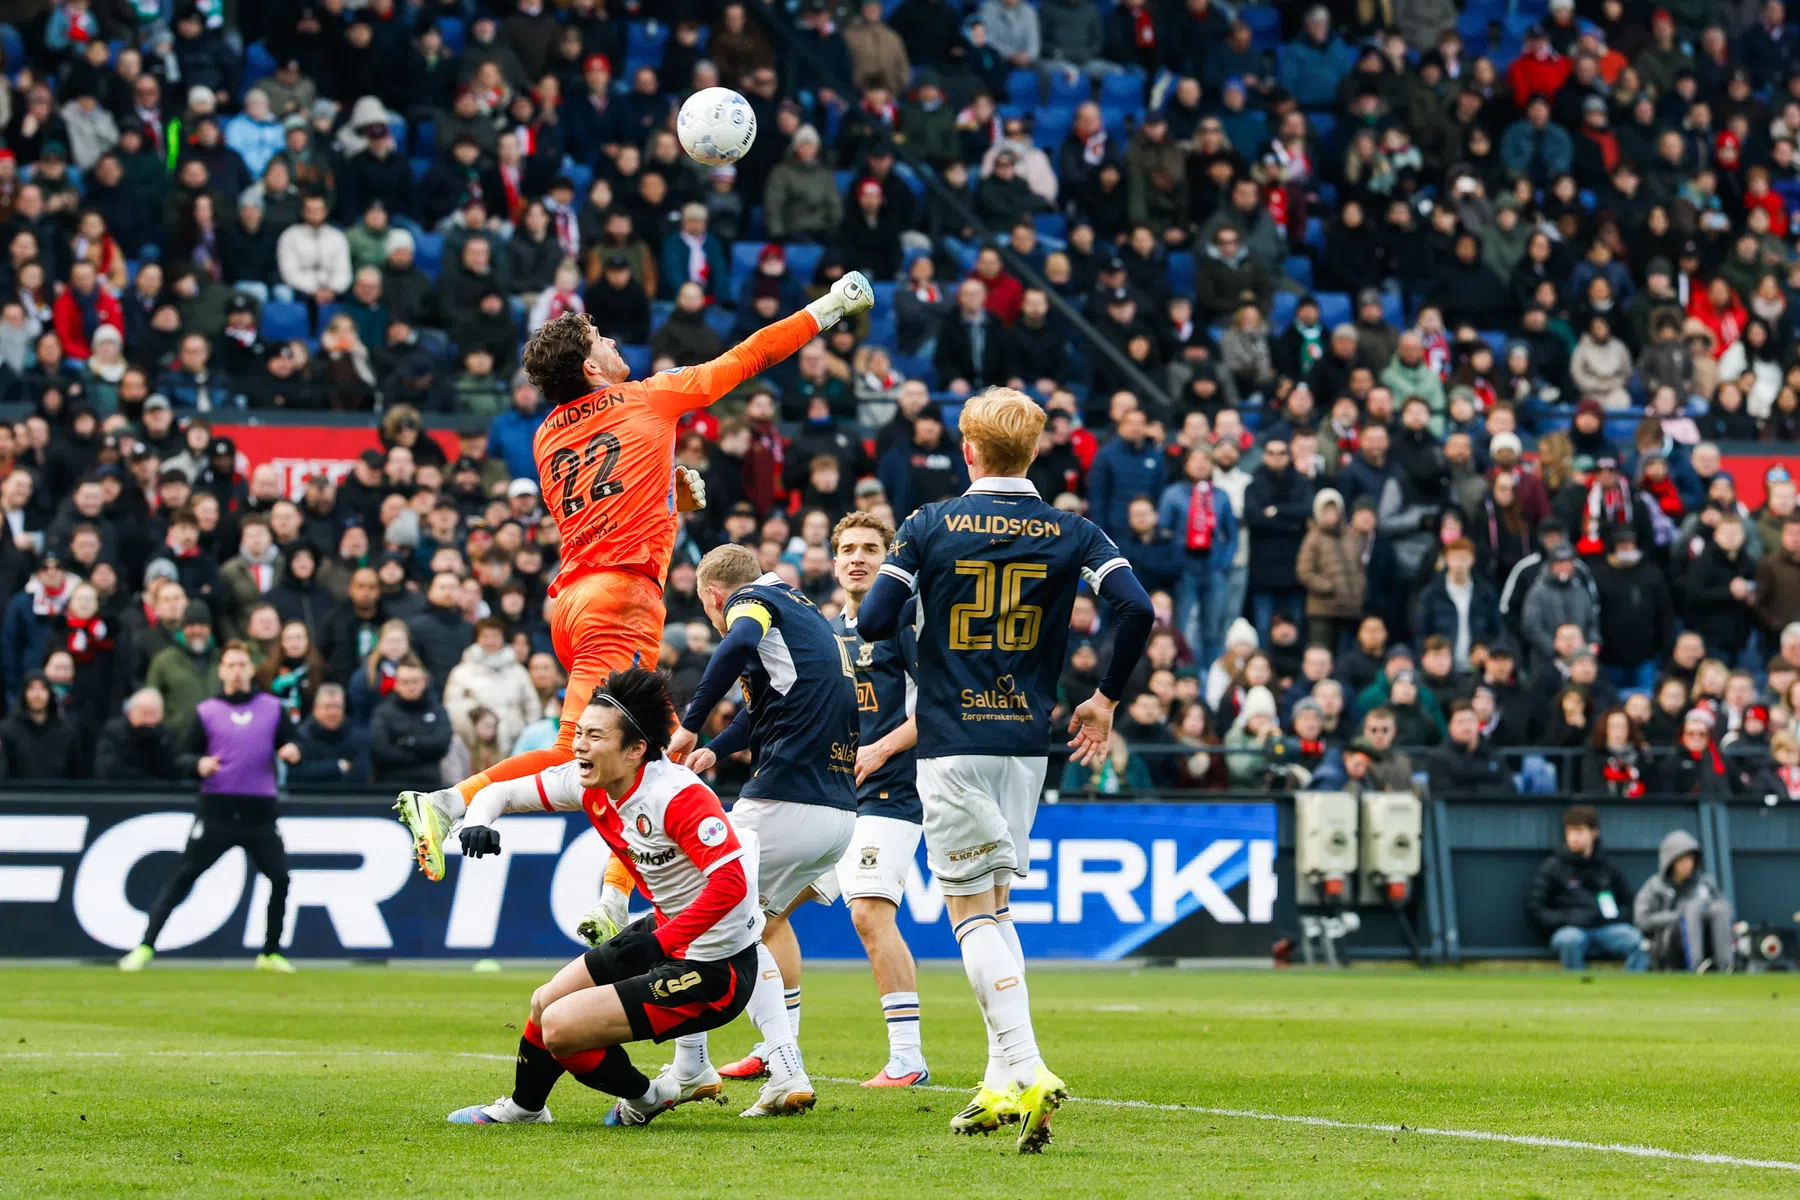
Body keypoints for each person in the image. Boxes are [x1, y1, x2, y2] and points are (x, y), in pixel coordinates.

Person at [394, 273, 877, 882]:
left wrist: (670, 496)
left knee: (652, 757)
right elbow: (749, 354)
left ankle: (616, 901)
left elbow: (603, 502)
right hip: (620, 599)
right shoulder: (648, 397)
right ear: (592, 369)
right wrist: (828, 308)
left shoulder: (546, 437)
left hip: (573, 599)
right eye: (598, 337)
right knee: (583, 756)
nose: (611, 339)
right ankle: (447, 804)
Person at [854, 387, 1153, 1152]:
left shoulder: (928, 525)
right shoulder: (1072, 530)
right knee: (998, 908)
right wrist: (1106, 700)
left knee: (970, 915)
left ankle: (1027, 1065)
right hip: (1026, 741)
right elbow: (1136, 609)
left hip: (951, 739)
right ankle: (995, 1083)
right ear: (1032, 453)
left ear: (969, 451)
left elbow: (875, 620)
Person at [445, 670, 780, 1126]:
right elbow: (502, 792)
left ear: (636, 749)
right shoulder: (589, 782)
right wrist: (477, 821)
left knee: (561, 1028)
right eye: (579, 732)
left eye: (594, 736)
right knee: (545, 1003)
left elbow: (732, 885)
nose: (579, 745)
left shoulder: (676, 796)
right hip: (666, 933)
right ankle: (526, 1109)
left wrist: (664, 943)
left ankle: (647, 1098)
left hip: (715, 968)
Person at [666, 543, 858, 1113]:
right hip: (836, 813)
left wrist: (691, 725)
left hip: (786, 801)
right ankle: (778, 1067)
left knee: (689, 908)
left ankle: (697, 1066)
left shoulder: (750, 603)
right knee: (749, 925)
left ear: (710, 595)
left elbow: (740, 639)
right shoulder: (802, 609)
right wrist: (719, 750)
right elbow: (769, 703)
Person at [119, 642, 302, 974]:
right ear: (222, 670)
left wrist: (291, 750)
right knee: (184, 874)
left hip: (259, 811)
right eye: (230, 665)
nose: (236, 671)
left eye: (242, 665)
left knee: (280, 878)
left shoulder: (272, 708)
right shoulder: (207, 711)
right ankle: (145, 946)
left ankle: (270, 952)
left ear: (250, 669)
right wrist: (198, 763)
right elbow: (182, 756)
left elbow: (293, 742)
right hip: (217, 809)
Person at [824, 512, 929, 1088]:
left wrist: (880, 748)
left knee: (868, 912)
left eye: (870, 548)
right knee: (764, 911)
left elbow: (938, 702)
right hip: (832, 794)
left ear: (888, 556)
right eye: (848, 548)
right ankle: (773, 1050)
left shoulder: (905, 618)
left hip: (893, 788)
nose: (858, 557)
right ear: (834, 559)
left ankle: (908, 1058)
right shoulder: (827, 630)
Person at [1526, 804, 1649, 972]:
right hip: (1570, 930)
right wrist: (1568, 918)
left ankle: (1629, 992)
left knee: (1638, 942)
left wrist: (1610, 918)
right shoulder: (1552, 867)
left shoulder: (1608, 867)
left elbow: (1627, 903)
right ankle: (1577, 991)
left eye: (1579, 831)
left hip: (1605, 929)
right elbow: (1537, 909)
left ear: (1594, 832)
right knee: (1569, 940)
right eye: (1569, 831)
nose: (1573, 837)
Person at [1633, 830, 1736, 973]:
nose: (1687, 864)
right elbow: (1642, 920)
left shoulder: (1705, 883)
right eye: (1682, 859)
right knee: (1692, 909)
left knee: (1720, 908)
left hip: (1708, 940)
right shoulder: (1654, 886)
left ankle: (1726, 966)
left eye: (1690, 859)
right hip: (1670, 946)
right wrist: (1681, 916)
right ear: (1670, 861)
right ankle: (1696, 966)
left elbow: (1725, 911)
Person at [95, 688, 182, 782]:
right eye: (145, 713)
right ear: (130, 712)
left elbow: (175, 770)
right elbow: (108, 769)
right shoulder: (113, 732)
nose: (149, 720)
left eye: (154, 714)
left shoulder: (167, 736)